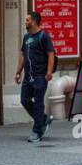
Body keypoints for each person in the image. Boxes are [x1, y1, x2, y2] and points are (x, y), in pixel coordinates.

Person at [16, 11, 56, 143]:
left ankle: (37, 131)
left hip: (40, 75)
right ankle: (43, 119)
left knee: (38, 103)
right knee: (24, 100)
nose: (25, 22)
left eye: (27, 20)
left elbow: (51, 54)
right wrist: (18, 72)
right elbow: (22, 54)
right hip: (28, 76)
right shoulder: (26, 37)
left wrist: (49, 72)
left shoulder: (43, 36)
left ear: (33, 21)